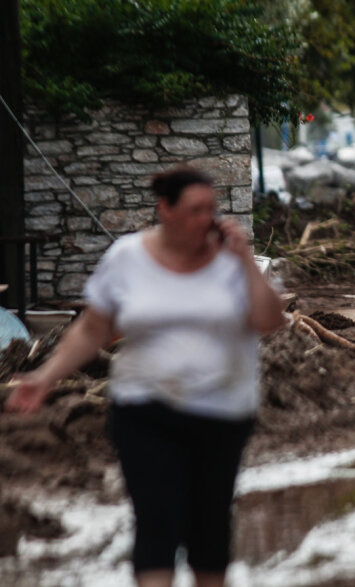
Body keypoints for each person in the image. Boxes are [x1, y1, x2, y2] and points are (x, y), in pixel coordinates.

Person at [4, 166, 284, 587]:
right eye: (194, 210)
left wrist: (244, 258)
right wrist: (44, 377)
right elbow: (93, 328)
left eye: (211, 209)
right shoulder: (128, 257)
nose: (206, 219)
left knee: (210, 527)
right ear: (165, 210)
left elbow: (268, 319)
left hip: (222, 410)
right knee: (157, 521)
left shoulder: (232, 260)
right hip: (144, 409)